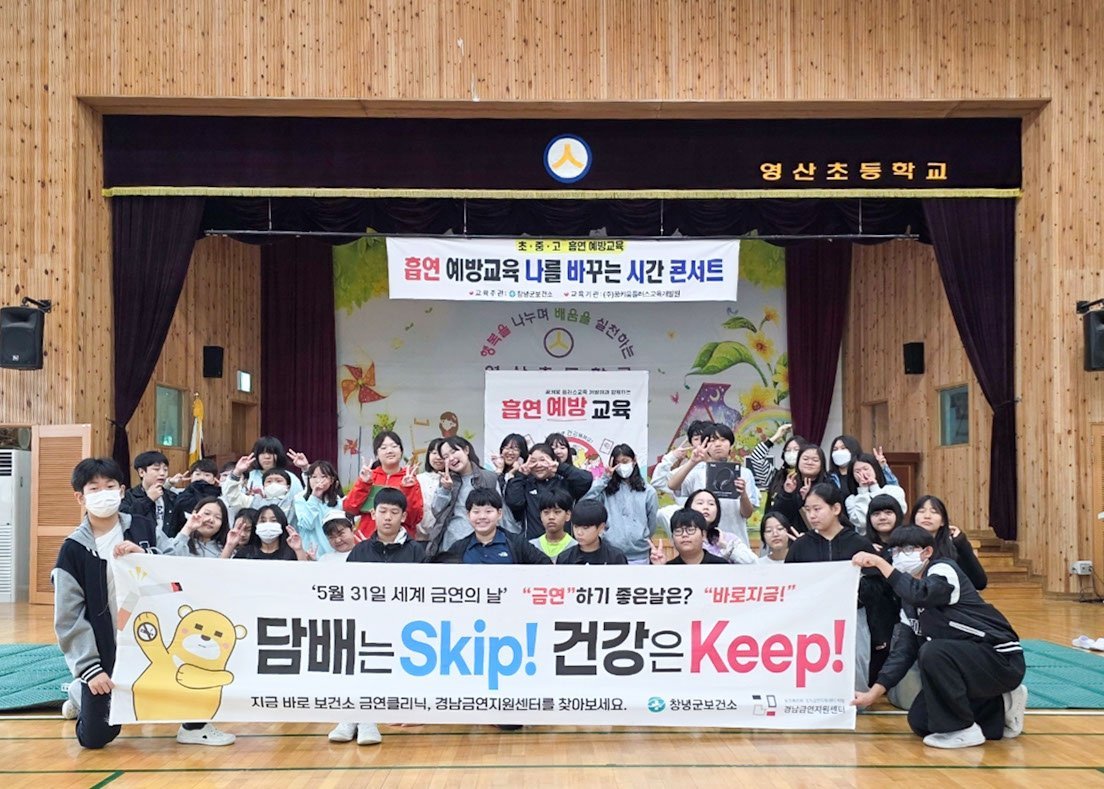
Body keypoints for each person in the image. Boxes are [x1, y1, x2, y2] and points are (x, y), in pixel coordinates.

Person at [851, 525, 1027, 749]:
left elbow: (921, 593)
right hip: (967, 665)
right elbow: (903, 652)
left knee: (933, 651)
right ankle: (1000, 706)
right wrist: (872, 694)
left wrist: (880, 563)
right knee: (921, 721)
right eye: (894, 551)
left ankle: (964, 730)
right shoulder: (907, 601)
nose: (899, 555)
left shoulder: (943, 570)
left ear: (927, 552)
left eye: (907, 549)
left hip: (1000, 658)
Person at [52, 457, 184, 750]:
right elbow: (68, 617)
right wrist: (90, 668)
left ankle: (196, 726)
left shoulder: (144, 528)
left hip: (155, 637)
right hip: (106, 650)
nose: (104, 493)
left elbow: (178, 572)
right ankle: (79, 692)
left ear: (122, 491)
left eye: (110, 486)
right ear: (80, 497)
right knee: (95, 738)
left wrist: (145, 559)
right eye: (94, 488)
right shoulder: (73, 550)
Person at [164, 497, 239, 745]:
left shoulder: (224, 548)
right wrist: (188, 528)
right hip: (180, 619)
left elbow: (218, 578)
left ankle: (195, 725)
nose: (211, 520)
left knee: (203, 672)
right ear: (194, 513)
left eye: (218, 517)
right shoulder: (180, 540)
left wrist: (229, 547)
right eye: (206, 513)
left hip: (209, 620)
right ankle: (192, 726)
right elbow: (169, 561)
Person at [667, 424, 760, 547]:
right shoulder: (696, 472)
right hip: (702, 545)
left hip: (735, 543)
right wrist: (692, 461)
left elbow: (747, 514)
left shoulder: (744, 473)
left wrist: (743, 495)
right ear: (705, 445)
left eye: (723, 440)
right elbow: (672, 485)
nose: (718, 444)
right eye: (712, 440)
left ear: (731, 445)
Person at [582, 444, 658, 564]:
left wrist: (642, 535)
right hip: (610, 553)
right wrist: (605, 478)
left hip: (639, 555)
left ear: (634, 460)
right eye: (617, 463)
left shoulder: (648, 491)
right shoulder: (606, 490)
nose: (621, 466)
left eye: (625, 461)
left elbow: (652, 522)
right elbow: (585, 501)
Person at [503, 442, 593, 540]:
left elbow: (586, 480)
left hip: (565, 545)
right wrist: (520, 475)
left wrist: (560, 468)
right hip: (532, 545)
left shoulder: (565, 483)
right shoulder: (525, 483)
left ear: (554, 460)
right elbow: (514, 503)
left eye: (543, 460)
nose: (538, 465)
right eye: (533, 461)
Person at [343, 431, 424, 539]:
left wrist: (408, 489)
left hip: (399, 542)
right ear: (377, 454)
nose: (389, 451)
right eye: (383, 448)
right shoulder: (369, 476)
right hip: (367, 539)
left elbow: (414, 519)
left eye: (394, 446)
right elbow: (350, 508)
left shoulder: (409, 479)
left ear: (401, 451)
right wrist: (363, 483)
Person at [428, 436, 500, 553]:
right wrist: (445, 489)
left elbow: (501, 514)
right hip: (451, 544)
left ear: (466, 450)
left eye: (454, 451)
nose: (451, 458)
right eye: (445, 457)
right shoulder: (446, 479)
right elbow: (437, 510)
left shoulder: (489, 478)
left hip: (484, 544)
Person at [443, 488, 552, 564]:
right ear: (468, 515)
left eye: (488, 511)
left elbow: (546, 566)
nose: (482, 517)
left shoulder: (517, 543)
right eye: (476, 512)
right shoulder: (459, 548)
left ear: (499, 514)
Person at [910, 495, 988, 591]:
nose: (927, 516)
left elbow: (979, 583)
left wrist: (961, 543)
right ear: (914, 518)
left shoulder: (953, 547)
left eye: (934, 512)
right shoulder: (903, 546)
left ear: (943, 521)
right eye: (921, 511)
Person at [348, 488, 426, 564]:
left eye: (394, 512)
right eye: (383, 511)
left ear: (403, 517)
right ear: (373, 514)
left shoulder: (415, 550)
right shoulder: (360, 551)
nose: (388, 517)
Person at [685, 488, 756, 564]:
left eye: (711, 504)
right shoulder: (682, 537)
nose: (706, 507)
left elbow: (755, 564)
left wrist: (727, 548)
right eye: (700, 503)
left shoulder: (728, 539)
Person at [769, 444, 829, 533]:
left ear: (822, 464)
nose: (809, 462)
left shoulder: (828, 485)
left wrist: (807, 500)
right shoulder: (789, 483)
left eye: (815, 460)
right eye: (805, 459)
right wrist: (787, 494)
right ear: (798, 461)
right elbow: (777, 516)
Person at [120, 450, 181, 536]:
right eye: (156, 469)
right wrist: (148, 500)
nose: (162, 473)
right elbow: (126, 520)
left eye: (165, 469)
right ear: (141, 472)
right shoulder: (128, 496)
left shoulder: (172, 497)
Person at [292, 460, 345, 558]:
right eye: (313, 477)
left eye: (323, 476)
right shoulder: (300, 498)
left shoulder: (337, 501)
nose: (318, 480)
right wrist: (314, 497)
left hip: (332, 552)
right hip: (310, 552)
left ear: (331, 480)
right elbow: (307, 524)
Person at [845, 453, 907, 534]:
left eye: (866, 469)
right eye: (857, 471)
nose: (863, 474)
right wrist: (863, 492)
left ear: (875, 469)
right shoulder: (851, 499)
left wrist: (874, 488)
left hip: (895, 536)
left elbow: (900, 513)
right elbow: (861, 522)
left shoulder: (894, 490)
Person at [650, 420, 713, 499]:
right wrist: (672, 456)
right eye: (696, 439)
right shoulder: (686, 470)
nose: (701, 442)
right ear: (691, 443)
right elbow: (658, 482)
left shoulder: (723, 463)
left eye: (704, 438)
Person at [556, 500, 628, 565]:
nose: (579, 532)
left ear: (601, 527)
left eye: (585, 528)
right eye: (576, 526)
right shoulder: (565, 558)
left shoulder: (616, 557)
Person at [649, 509, 729, 565]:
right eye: (678, 531)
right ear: (672, 538)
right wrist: (660, 569)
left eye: (690, 530)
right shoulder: (669, 568)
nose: (684, 535)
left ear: (703, 535)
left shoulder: (720, 565)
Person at [224, 504, 302, 560]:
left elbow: (304, 574)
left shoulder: (291, 554)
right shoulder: (245, 553)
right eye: (263, 521)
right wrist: (229, 545)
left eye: (273, 520)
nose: (268, 524)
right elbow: (222, 571)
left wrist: (299, 550)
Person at [167, 459, 222, 537]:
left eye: (207, 475)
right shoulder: (179, 494)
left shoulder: (220, 497)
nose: (201, 478)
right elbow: (158, 493)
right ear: (191, 477)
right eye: (197, 474)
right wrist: (169, 483)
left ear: (214, 479)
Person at [491, 433, 529, 535]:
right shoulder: (497, 474)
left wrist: (516, 473)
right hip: (496, 529)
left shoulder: (526, 476)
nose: (510, 452)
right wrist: (499, 471)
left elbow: (515, 502)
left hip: (518, 531)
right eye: (506, 448)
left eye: (515, 449)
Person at [530, 488, 578, 561]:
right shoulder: (532, 547)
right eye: (546, 512)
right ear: (540, 515)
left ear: (568, 515)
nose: (551, 517)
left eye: (557, 512)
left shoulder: (576, 547)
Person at [414, 438, 447, 541]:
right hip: (419, 536)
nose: (438, 457)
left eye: (442, 454)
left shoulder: (453, 480)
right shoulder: (418, 479)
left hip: (444, 536)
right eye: (434, 453)